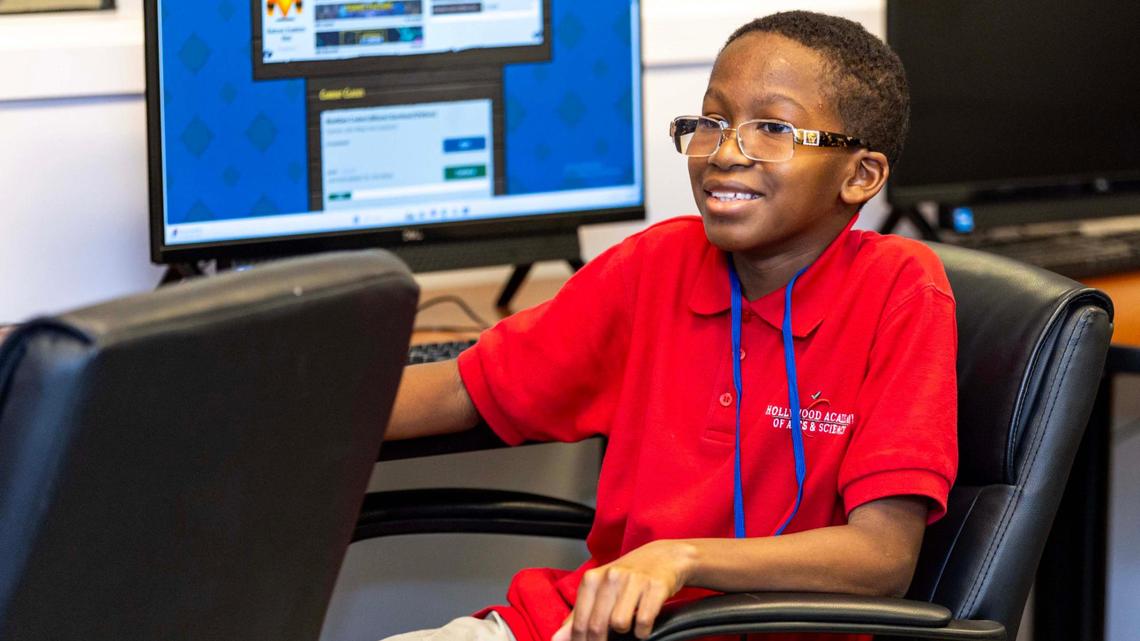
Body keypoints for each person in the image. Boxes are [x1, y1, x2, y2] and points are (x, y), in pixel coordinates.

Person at [385, 10, 957, 641]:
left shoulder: (901, 289)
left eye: (771, 127)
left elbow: (883, 559)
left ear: (861, 176)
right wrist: (282, 410)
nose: (724, 153)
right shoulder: (656, 265)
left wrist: (679, 557)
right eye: (712, 122)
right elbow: (464, 389)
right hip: (584, 624)